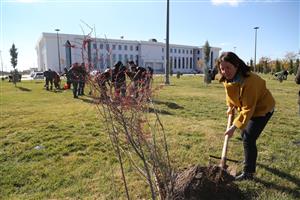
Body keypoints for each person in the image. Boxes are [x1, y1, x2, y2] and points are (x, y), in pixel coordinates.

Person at [216, 52, 275, 181]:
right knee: (245, 135)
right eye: (222, 68)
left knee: (248, 137)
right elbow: (230, 95)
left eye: (228, 68)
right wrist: (230, 106)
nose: (225, 71)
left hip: (263, 109)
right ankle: (250, 159)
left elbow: (248, 109)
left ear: (236, 65)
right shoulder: (228, 78)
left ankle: (248, 173)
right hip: (250, 108)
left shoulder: (250, 81)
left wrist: (233, 127)